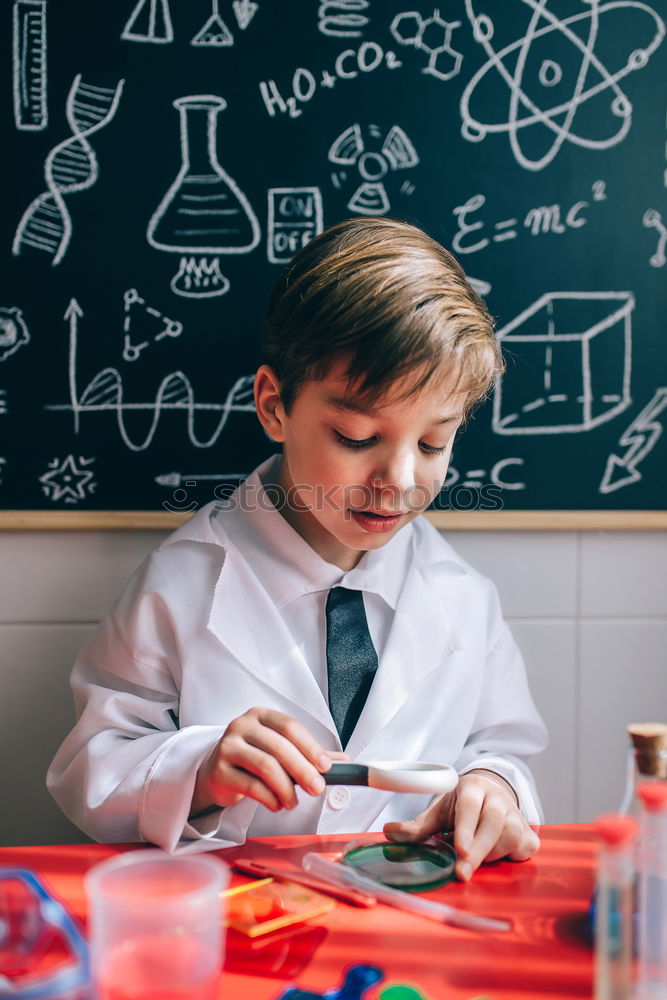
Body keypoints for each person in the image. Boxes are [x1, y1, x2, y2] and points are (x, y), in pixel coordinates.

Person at [48, 217, 547, 879]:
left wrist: (493, 787)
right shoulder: (179, 583)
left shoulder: (463, 596)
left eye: (432, 444)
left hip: (410, 925)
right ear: (274, 405)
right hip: (244, 932)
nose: (396, 482)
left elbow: (502, 745)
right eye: (355, 436)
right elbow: (91, 768)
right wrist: (200, 770)